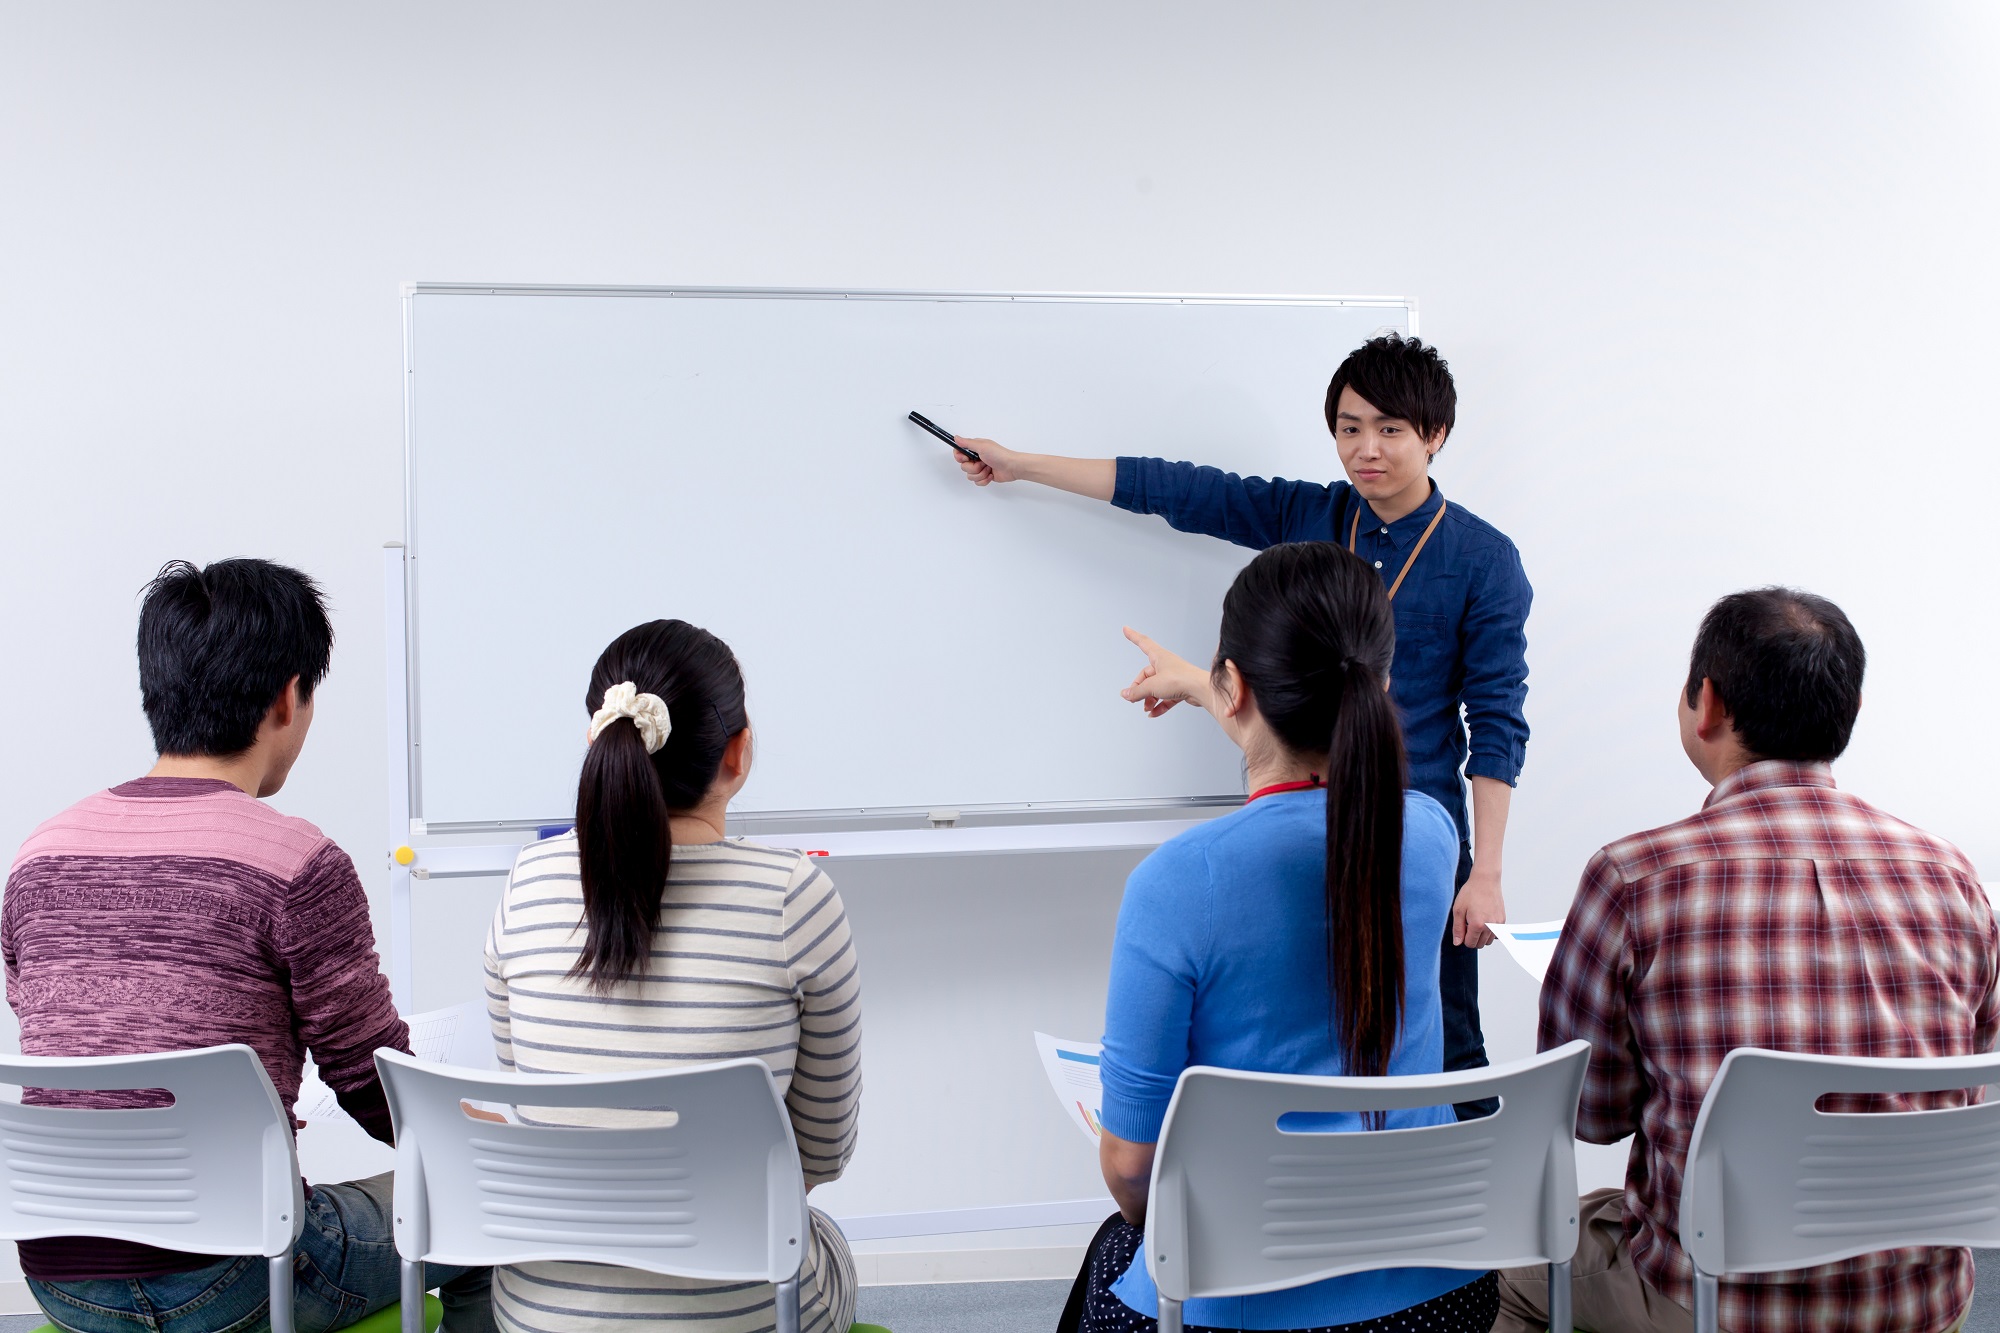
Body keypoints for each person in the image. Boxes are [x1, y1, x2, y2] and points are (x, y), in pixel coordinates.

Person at [954, 334, 1529, 1119]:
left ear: (1436, 435)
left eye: (1390, 429)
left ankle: (1462, 1224)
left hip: (1411, 840)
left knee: (1444, 1044)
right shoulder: (1316, 513)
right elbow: (1185, 491)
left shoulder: (1485, 559)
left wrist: (1484, 871)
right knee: (1295, 1036)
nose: (1364, 449)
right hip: (1295, 825)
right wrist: (1022, 464)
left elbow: (1495, 721)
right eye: (1348, 426)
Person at [2, 559, 493, 1333]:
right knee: (478, 1205)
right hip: (236, 1279)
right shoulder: (296, 863)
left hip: (62, 1277)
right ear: (289, 696)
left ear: (153, 689)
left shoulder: (39, 857)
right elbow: (374, 1084)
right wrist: (486, 1137)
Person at [1494, 589, 1999, 1333]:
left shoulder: (1633, 876)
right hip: (1921, 1305)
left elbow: (1590, 1117)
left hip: (1714, 1304)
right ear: (1849, 710)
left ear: (1708, 704)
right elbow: (1974, 1089)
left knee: (1519, 1266)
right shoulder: (1953, 875)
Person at [1068, 543, 1497, 1333]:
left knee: (1111, 1254)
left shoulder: (1177, 882)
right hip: (1436, 1293)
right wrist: (1212, 685)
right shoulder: (1432, 837)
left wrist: (1218, 689)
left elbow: (1133, 1173)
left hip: (1235, 1305)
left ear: (1234, 687)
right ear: (1383, 683)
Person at [482, 620, 861, 1333]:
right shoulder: (793, 897)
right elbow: (822, 1151)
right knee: (830, 1244)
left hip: (544, 1312)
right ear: (738, 752)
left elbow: (535, 1112)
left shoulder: (526, 883)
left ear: (597, 743)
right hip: (743, 1308)